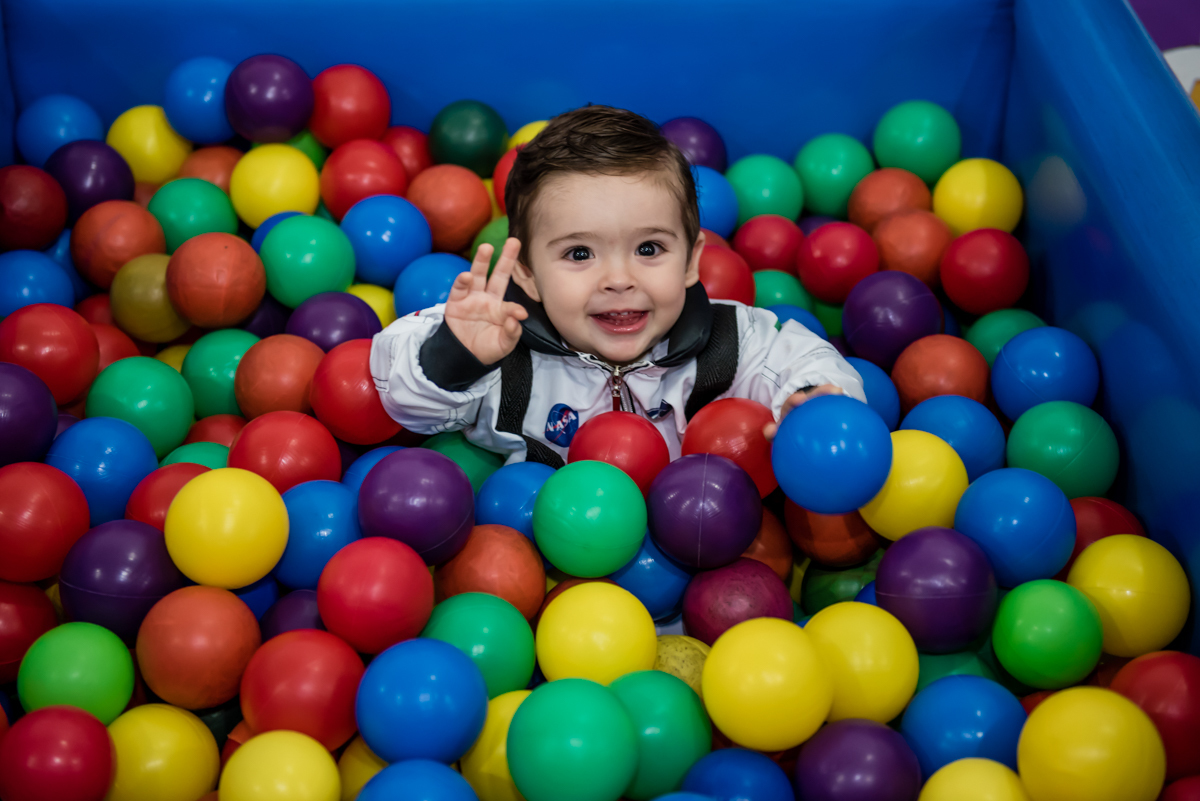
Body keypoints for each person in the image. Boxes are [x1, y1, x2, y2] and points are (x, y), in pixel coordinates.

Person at [370, 105, 865, 467]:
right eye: (579, 254)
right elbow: (402, 396)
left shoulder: (729, 342)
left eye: (649, 249)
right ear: (526, 275)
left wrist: (815, 403)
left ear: (692, 261)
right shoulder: (501, 350)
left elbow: (801, 361)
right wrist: (455, 355)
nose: (620, 280)